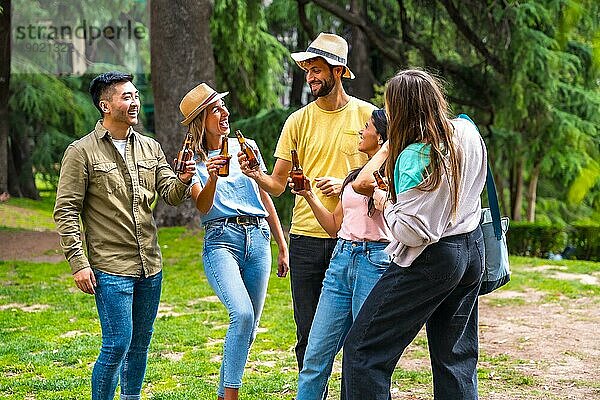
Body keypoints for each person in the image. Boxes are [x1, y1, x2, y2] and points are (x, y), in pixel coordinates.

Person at [342, 69, 488, 399]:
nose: (386, 113)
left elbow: (411, 231)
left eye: (389, 106)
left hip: (433, 259)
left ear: (403, 109)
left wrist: (382, 200)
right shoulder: (466, 130)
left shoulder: (414, 156)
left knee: (363, 351)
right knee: (455, 358)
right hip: (472, 249)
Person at [53, 71, 196, 400]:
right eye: (126, 97)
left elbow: (171, 195)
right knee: (117, 343)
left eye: (135, 96)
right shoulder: (81, 152)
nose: (135, 102)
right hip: (109, 267)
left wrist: (185, 178)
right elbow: (66, 210)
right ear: (105, 105)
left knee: (140, 344)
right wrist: (78, 263)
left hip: (150, 265)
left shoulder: (150, 147)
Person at [239, 32, 376, 371]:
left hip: (357, 240)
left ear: (339, 71)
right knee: (308, 331)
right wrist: (256, 173)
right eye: (308, 71)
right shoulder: (298, 121)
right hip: (306, 239)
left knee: (360, 331)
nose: (311, 77)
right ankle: (313, 391)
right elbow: (277, 185)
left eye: (318, 70)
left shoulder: (368, 116)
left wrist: (348, 182)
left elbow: (383, 169)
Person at [179, 83, 289, 400]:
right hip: (221, 240)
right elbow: (202, 206)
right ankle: (231, 396)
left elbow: (264, 195)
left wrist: (282, 246)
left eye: (223, 106)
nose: (225, 112)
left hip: (258, 238)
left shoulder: (246, 147)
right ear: (202, 119)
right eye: (216, 108)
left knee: (250, 327)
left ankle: (223, 392)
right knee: (241, 315)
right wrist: (212, 175)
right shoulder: (191, 161)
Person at [292, 109, 391, 400]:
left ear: (382, 138)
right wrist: (309, 195)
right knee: (314, 356)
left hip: (374, 262)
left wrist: (388, 152)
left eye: (367, 127)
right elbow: (335, 226)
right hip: (341, 259)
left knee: (361, 357)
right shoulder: (354, 177)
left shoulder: (392, 176)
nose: (362, 131)